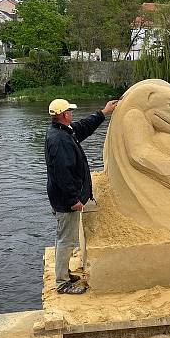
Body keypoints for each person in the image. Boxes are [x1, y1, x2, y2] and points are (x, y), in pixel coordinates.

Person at [45, 97, 118, 294]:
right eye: (69, 111)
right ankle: (62, 283)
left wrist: (103, 113)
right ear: (63, 114)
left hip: (62, 198)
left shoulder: (63, 131)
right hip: (65, 201)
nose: (72, 113)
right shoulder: (59, 140)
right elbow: (63, 175)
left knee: (64, 237)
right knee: (65, 240)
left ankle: (64, 272)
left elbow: (83, 127)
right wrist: (73, 200)